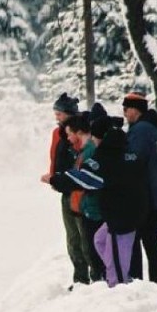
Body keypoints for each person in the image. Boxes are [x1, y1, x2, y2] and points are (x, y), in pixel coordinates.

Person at [86, 117, 147, 287]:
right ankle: (115, 271)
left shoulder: (110, 156)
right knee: (100, 240)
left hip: (122, 216)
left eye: (95, 137)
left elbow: (91, 177)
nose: (93, 140)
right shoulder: (122, 151)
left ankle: (118, 284)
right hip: (119, 213)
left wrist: (58, 180)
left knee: (118, 262)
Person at [44, 114, 105, 282]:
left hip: (88, 208)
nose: (68, 139)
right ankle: (88, 279)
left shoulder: (90, 152)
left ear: (78, 132)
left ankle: (95, 279)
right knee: (82, 244)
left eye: (70, 134)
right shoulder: (82, 152)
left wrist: (57, 179)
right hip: (81, 205)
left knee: (89, 247)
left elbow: (86, 180)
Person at [123, 92, 157, 286]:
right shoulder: (153, 127)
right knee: (151, 241)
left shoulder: (141, 130)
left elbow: (134, 159)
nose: (125, 114)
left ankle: (137, 281)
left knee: (138, 239)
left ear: (135, 109)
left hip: (144, 194)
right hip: (156, 192)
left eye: (126, 109)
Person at [43, 92, 89, 288]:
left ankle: (90, 277)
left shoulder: (79, 133)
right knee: (72, 237)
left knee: (83, 237)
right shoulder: (58, 132)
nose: (57, 118)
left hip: (78, 190)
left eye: (59, 114)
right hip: (64, 188)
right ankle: (80, 278)